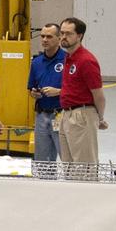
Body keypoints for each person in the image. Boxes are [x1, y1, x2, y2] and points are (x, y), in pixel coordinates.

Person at [58, 17, 108, 164]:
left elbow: (99, 95)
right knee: (68, 165)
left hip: (82, 115)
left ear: (79, 36)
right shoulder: (69, 57)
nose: (63, 37)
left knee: (84, 166)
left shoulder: (86, 60)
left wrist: (100, 118)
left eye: (68, 33)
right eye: (62, 33)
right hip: (66, 114)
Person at [28, 23, 66, 163]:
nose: (44, 39)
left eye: (49, 36)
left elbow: (77, 90)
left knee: (66, 156)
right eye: (43, 36)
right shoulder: (36, 62)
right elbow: (31, 88)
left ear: (59, 38)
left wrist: (59, 92)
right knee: (42, 160)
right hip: (41, 115)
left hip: (61, 115)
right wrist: (34, 93)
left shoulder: (67, 60)